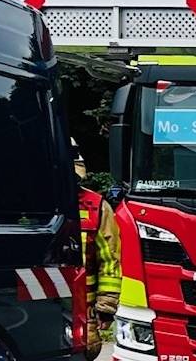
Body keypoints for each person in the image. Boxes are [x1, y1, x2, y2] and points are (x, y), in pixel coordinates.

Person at [75, 141, 121, 361]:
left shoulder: (96, 206)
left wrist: (106, 307)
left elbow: (110, 260)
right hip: (40, 305)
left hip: (85, 311)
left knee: (88, 351)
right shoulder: (33, 205)